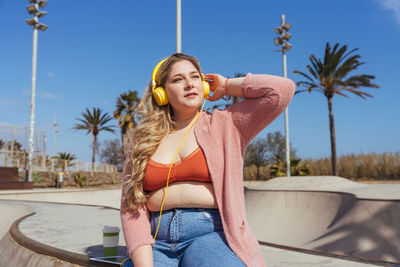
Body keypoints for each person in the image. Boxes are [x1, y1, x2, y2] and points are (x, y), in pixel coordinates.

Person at [120, 53, 295, 267]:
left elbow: (281, 91)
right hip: (156, 240)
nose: (189, 84)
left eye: (195, 77)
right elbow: (131, 206)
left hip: (211, 235)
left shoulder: (227, 124)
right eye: (177, 79)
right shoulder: (144, 139)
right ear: (161, 93)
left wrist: (227, 85)